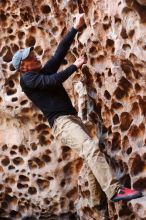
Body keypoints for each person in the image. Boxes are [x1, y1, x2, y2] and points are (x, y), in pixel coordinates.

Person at [11, 13, 143, 203]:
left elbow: (59, 53)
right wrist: (74, 66)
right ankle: (115, 191)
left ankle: (97, 203)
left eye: (32, 53)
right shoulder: (28, 80)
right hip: (62, 123)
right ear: (23, 67)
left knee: (90, 153)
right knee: (90, 149)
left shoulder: (39, 73)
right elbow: (53, 80)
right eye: (30, 57)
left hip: (72, 119)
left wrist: (75, 28)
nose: (35, 55)